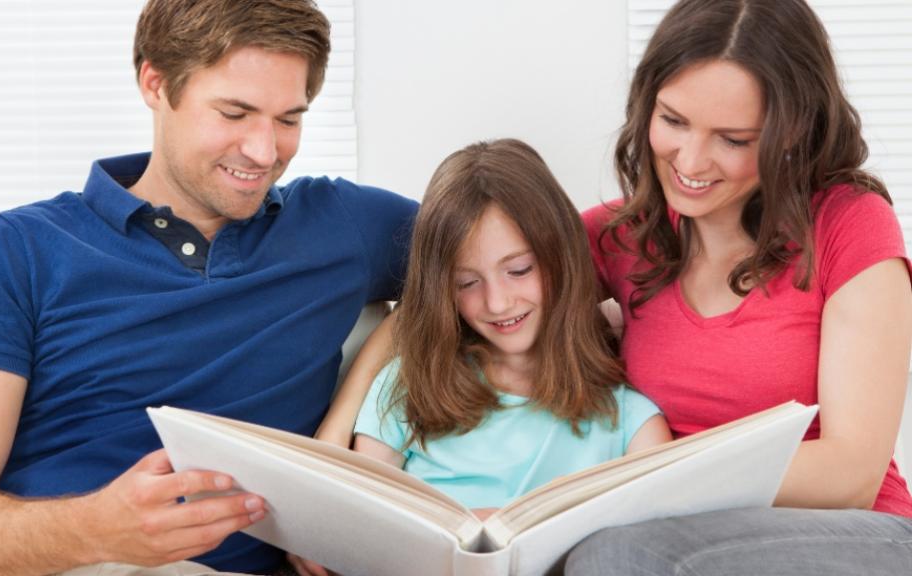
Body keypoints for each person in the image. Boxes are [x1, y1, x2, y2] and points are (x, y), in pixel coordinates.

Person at [0, 1, 417, 575]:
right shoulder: (17, 252)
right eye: (235, 113)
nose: (265, 152)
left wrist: (335, 452)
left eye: (288, 119)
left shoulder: (343, 223)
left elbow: (517, 275)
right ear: (155, 82)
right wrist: (93, 531)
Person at [564, 0, 912, 574]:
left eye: (733, 138)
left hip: (861, 534)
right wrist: (357, 430)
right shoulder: (623, 235)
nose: (691, 160)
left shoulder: (850, 222)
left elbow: (851, 474)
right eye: (673, 121)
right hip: (677, 533)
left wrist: (647, 473)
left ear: (792, 131)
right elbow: (448, 291)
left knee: (618, 553)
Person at [290, 139, 672, 576]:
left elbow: (648, 549)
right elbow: (359, 522)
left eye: (519, 270)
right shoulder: (407, 387)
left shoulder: (633, 422)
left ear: (562, 259)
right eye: (466, 282)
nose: (497, 303)